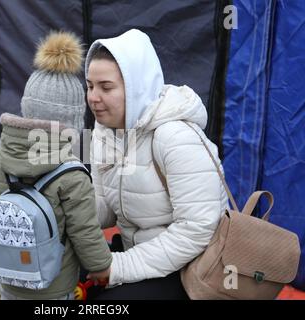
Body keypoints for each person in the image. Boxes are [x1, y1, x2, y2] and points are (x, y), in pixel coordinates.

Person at [85, 29, 229, 299]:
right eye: (90, 86)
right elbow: (105, 209)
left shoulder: (175, 136)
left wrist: (119, 267)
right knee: (61, 272)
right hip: (138, 252)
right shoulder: (105, 132)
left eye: (106, 87)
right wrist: (64, 206)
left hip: (193, 269)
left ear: (136, 87)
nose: (93, 97)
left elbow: (198, 229)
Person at [0, 31, 112, 300]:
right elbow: (84, 231)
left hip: (8, 276)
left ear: (26, 109)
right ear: (73, 121)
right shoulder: (72, 173)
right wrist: (101, 267)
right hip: (54, 286)